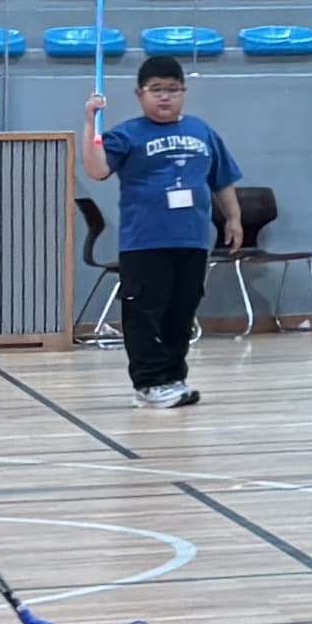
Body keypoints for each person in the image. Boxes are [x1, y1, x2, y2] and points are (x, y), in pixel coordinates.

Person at [76, 51, 243, 409]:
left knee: (181, 310)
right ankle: (149, 383)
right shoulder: (127, 135)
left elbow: (223, 179)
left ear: (183, 92)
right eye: (156, 89)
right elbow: (96, 169)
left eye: (172, 89)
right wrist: (90, 122)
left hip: (192, 239)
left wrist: (233, 218)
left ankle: (172, 377)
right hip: (145, 242)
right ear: (140, 94)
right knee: (144, 312)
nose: (164, 96)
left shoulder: (201, 131)